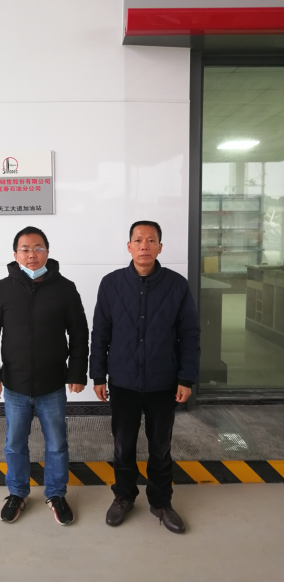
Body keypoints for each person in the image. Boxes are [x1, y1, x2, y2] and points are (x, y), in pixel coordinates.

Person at [90, 221, 200, 534]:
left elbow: (189, 334)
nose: (144, 246)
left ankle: (161, 502)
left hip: (163, 382)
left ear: (160, 247)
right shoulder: (111, 284)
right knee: (123, 445)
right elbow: (101, 333)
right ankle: (124, 496)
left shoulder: (177, 285)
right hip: (123, 382)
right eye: (138, 240)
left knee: (160, 447)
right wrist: (97, 375)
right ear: (129, 246)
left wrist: (186, 378)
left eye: (151, 240)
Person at [0, 226, 89, 525]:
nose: (31, 254)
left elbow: (79, 333)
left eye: (38, 248)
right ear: (15, 255)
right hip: (15, 385)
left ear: (47, 252)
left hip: (52, 385)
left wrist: (77, 373)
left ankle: (56, 494)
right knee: (15, 444)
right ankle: (17, 493)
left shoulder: (65, 288)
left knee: (57, 444)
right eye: (25, 249)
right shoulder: (2, 288)